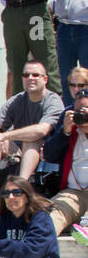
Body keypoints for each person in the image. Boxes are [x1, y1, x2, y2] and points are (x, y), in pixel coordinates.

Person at [0, 61, 63, 201]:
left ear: (45, 79)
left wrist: (5, 136)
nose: (30, 78)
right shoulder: (17, 99)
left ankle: (20, 189)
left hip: (44, 153)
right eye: (26, 75)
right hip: (16, 151)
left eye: (35, 75)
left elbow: (41, 131)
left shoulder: (53, 101)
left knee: (31, 141)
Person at [44, 91, 88, 237]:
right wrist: (65, 132)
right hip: (74, 193)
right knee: (53, 213)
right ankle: (42, 240)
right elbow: (49, 155)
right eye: (78, 112)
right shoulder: (70, 129)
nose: (81, 117)